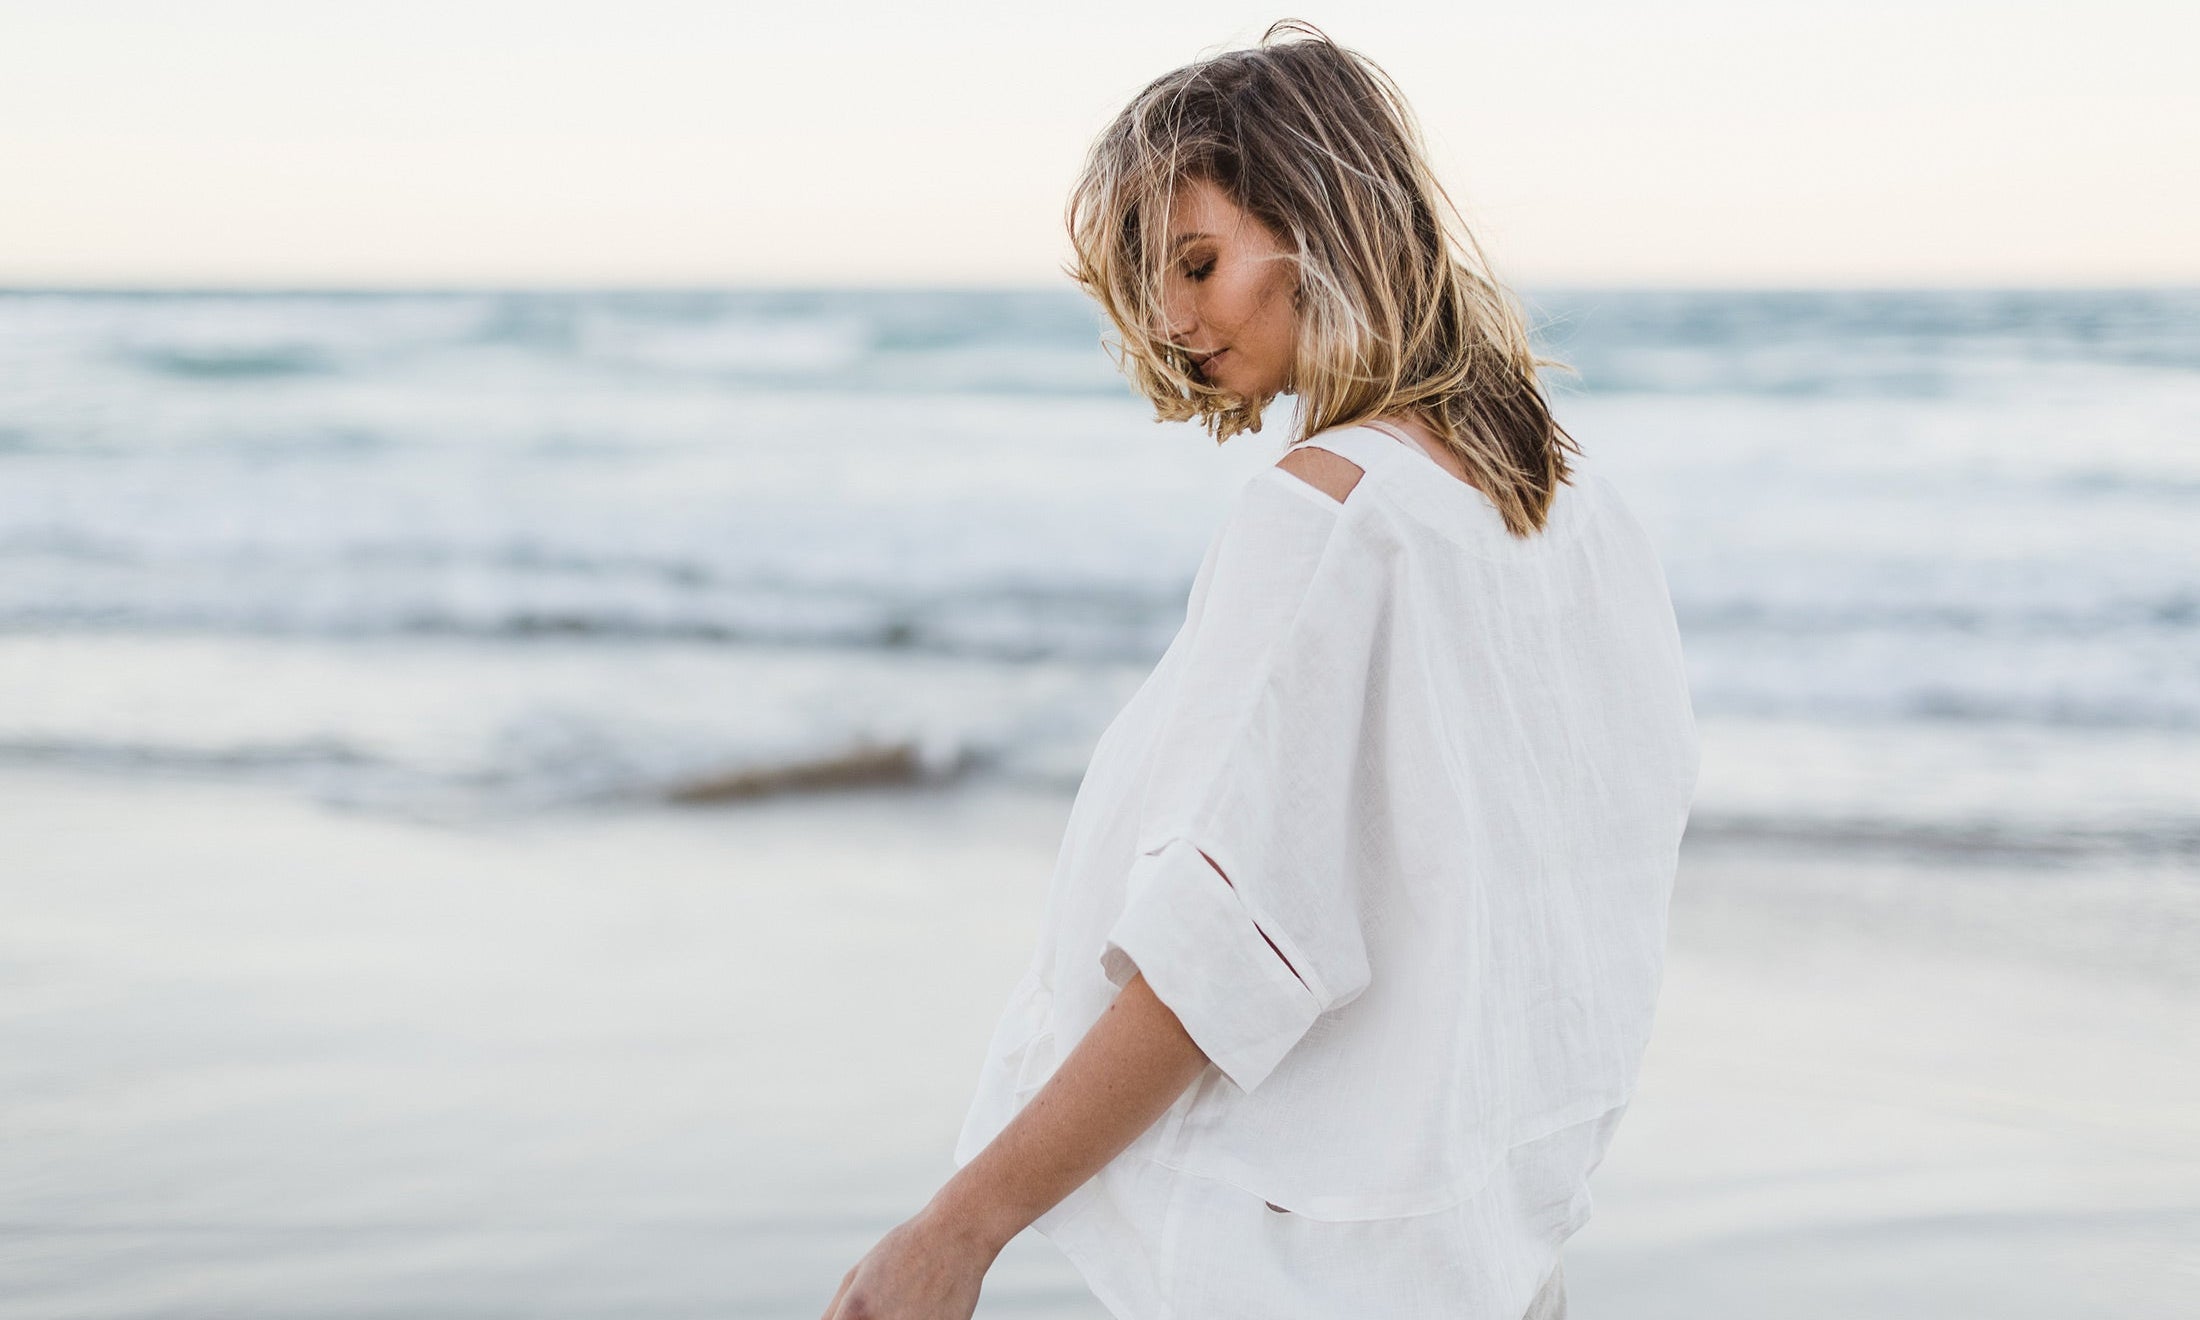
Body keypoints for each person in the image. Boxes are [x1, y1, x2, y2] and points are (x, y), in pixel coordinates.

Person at [820, 20, 1699, 1320]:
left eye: (1198, 260)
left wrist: (961, 1227)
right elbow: (1607, 860)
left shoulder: (1332, 512)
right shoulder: (1576, 508)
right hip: (1501, 1248)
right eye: (1153, 279)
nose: (1175, 320)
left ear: (1327, 218)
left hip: (1323, 1270)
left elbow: (1225, 954)